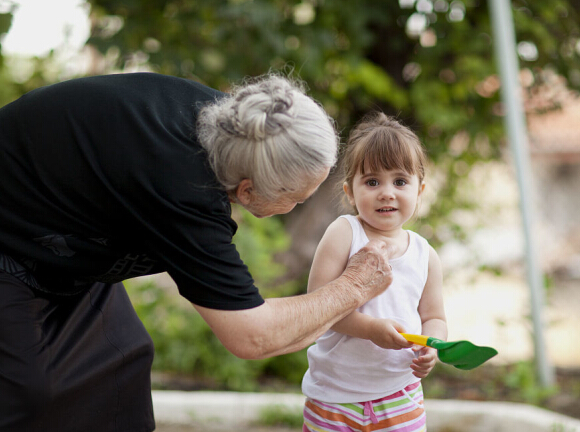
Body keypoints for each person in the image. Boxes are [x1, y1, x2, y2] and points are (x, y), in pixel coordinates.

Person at [0, 73, 395, 432]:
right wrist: (353, 287)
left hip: (67, 249)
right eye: (295, 199)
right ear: (246, 192)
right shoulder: (184, 190)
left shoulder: (244, 125)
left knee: (122, 365)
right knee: (25, 392)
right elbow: (252, 336)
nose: (295, 207)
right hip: (11, 243)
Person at [301, 112, 448, 432]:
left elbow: (434, 316)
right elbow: (317, 306)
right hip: (335, 397)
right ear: (349, 192)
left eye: (399, 181)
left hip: (400, 394)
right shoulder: (344, 233)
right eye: (372, 181)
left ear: (419, 191)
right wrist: (371, 329)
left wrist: (433, 345)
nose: (386, 192)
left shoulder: (425, 255)